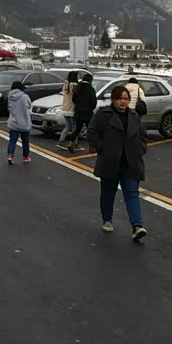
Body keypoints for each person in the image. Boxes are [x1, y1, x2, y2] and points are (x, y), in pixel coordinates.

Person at [87, 84, 148, 241]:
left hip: (130, 163)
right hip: (110, 162)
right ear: (113, 99)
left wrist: (140, 149)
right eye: (120, 98)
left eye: (126, 99)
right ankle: (107, 220)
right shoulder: (103, 114)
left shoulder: (133, 115)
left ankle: (137, 226)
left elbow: (143, 135)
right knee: (108, 193)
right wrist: (102, 148)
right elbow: (92, 132)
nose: (123, 102)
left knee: (132, 194)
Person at [68, 72, 97, 153]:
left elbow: (73, 99)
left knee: (77, 129)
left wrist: (79, 106)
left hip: (78, 112)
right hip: (87, 113)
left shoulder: (78, 87)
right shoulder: (91, 89)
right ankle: (92, 147)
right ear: (90, 80)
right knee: (90, 130)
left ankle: (70, 143)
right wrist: (90, 108)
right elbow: (94, 102)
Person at [7, 80, 32, 164]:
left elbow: (9, 108)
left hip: (13, 122)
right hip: (24, 122)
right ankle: (25, 157)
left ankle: (10, 156)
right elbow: (29, 106)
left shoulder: (10, 96)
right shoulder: (25, 96)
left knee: (12, 140)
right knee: (25, 141)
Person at [56, 71, 79, 151]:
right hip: (72, 109)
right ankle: (74, 143)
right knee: (75, 128)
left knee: (68, 126)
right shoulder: (75, 85)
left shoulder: (66, 84)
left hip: (65, 108)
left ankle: (61, 140)